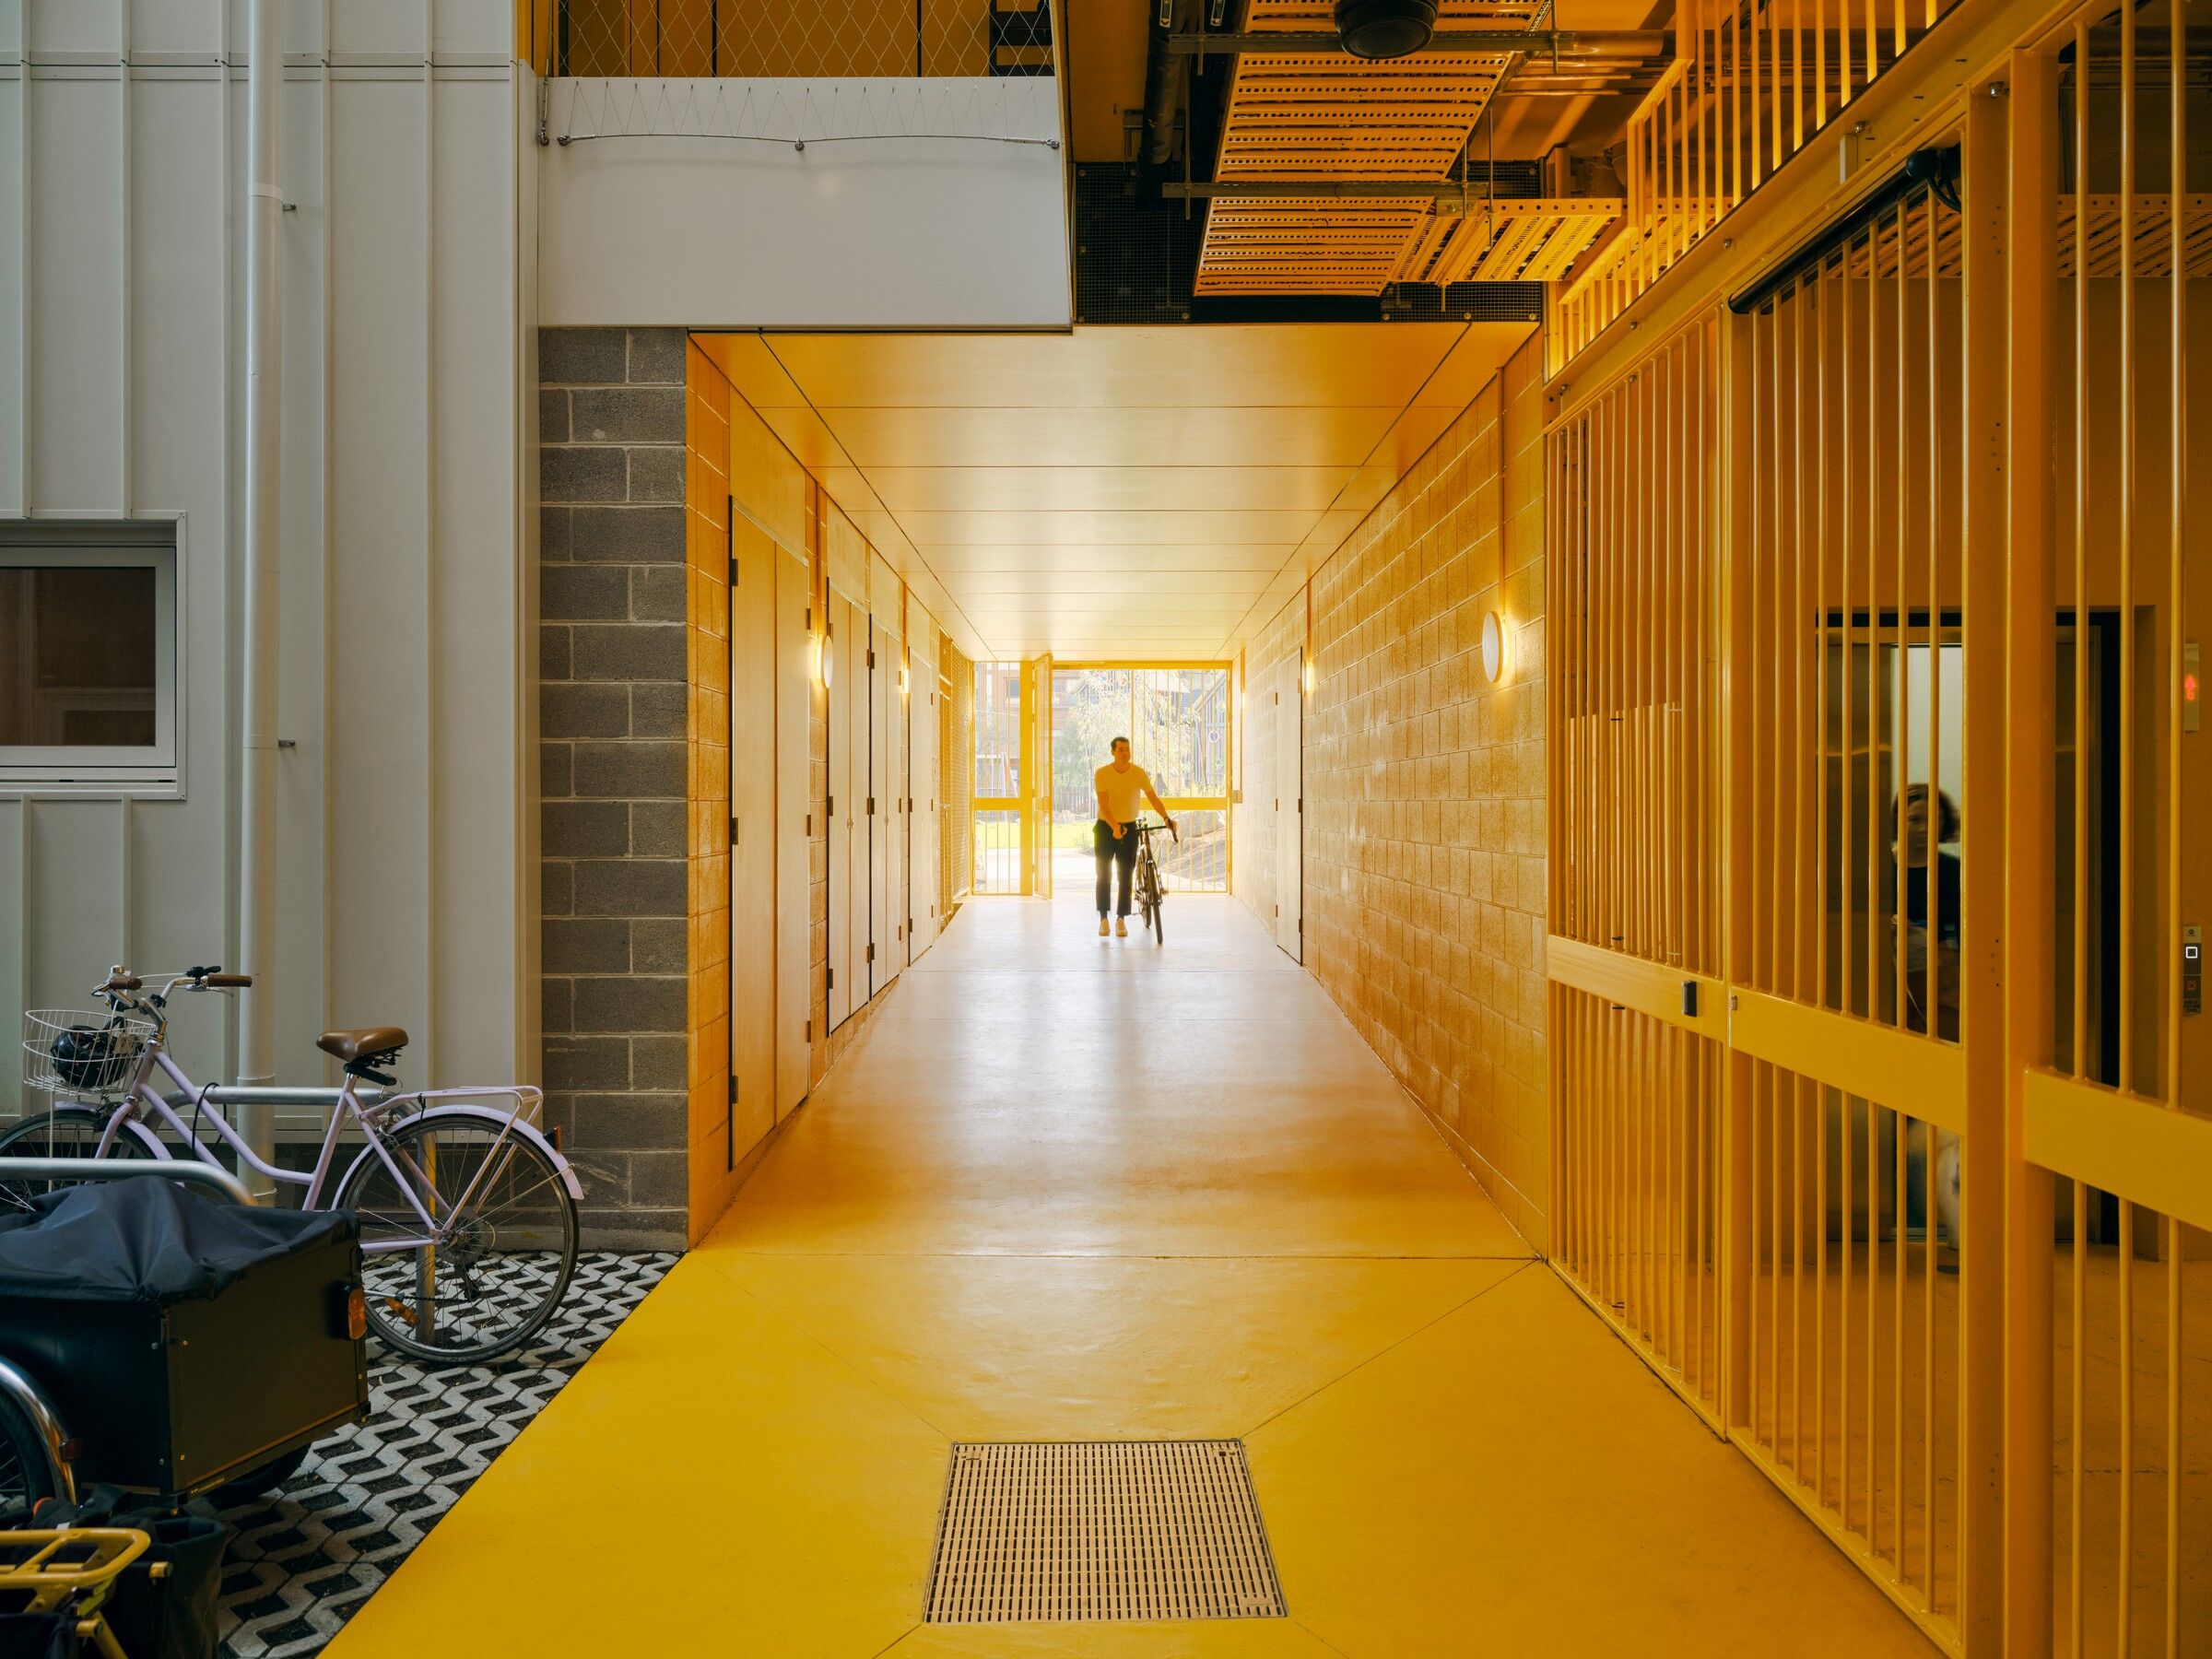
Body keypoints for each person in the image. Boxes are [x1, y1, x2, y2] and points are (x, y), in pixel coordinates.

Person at [1094, 736, 1175, 937]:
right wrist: (1114, 826)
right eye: (1120, 749)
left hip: (1129, 828)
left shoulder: (1138, 773)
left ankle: (1121, 919)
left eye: (1127, 749)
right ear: (1113, 752)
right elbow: (1104, 806)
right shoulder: (1102, 773)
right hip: (1105, 828)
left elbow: (1153, 798)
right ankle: (1103, 919)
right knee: (1104, 875)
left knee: (1125, 876)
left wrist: (1166, 817)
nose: (1124, 753)